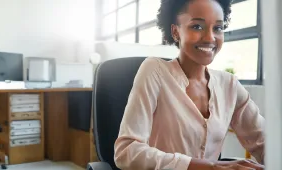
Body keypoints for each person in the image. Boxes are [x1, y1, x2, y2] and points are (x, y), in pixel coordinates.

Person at [113, 0, 265, 170]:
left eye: (218, 28)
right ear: (175, 31)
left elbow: (265, 142)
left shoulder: (229, 85)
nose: (210, 38)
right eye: (197, 27)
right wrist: (211, 167)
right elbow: (126, 152)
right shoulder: (154, 71)